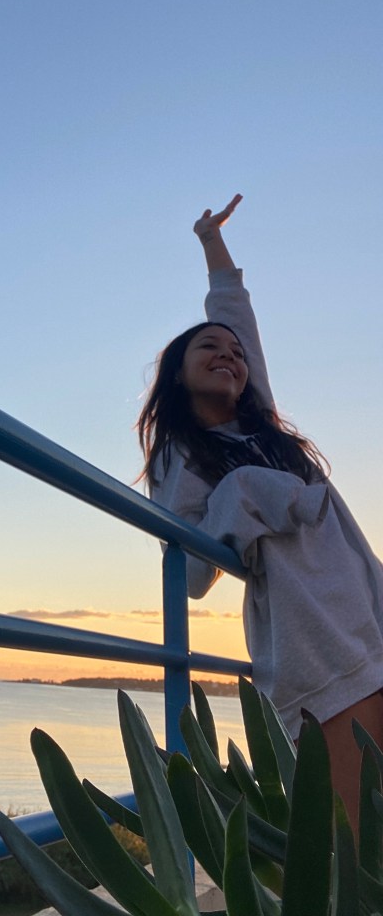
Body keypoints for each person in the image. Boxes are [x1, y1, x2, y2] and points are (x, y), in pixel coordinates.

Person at [137, 194, 383, 829]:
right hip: (314, 639)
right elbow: (188, 572)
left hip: (367, 609)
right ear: (178, 374)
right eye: (210, 350)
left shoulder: (263, 428)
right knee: (364, 840)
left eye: (238, 355)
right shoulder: (183, 458)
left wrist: (211, 242)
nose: (231, 356)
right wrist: (242, 493)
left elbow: (235, 313)